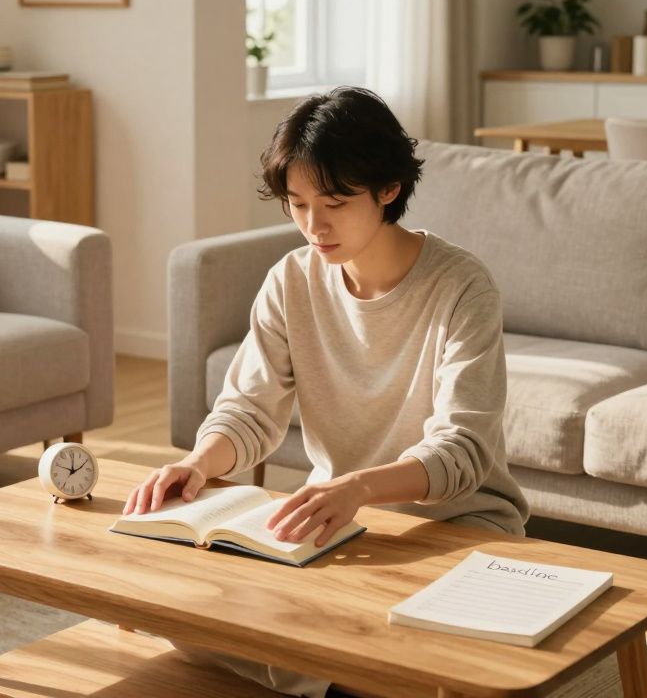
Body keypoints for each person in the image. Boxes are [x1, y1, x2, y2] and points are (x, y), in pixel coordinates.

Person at [123, 87, 530, 697]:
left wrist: (360, 486)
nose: (314, 226)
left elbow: (464, 451)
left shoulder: (461, 286)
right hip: (338, 527)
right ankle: (352, 673)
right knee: (172, 611)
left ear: (388, 188)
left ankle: (345, 668)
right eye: (298, 204)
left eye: (334, 203)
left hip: (459, 524)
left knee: (403, 641)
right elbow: (249, 411)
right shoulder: (291, 279)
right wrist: (196, 463)